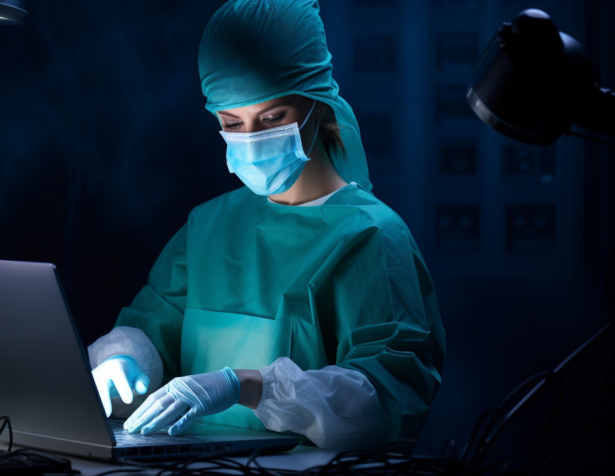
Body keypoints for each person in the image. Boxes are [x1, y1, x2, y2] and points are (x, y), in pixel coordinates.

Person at [88, 0, 445, 451]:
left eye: (273, 117)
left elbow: (387, 402)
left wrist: (246, 385)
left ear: (317, 105)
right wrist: (122, 358)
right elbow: (154, 325)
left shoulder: (371, 237)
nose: (252, 140)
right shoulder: (208, 226)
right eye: (232, 122)